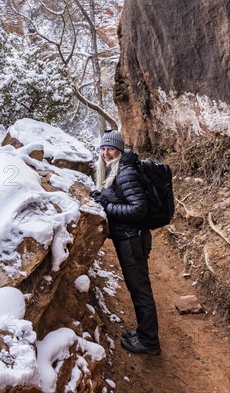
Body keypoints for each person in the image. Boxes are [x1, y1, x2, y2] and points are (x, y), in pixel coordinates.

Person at [91, 130, 161, 356]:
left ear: (119, 150)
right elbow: (119, 197)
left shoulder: (125, 172)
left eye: (110, 149)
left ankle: (149, 342)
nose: (106, 153)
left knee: (141, 290)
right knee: (136, 287)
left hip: (133, 239)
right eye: (102, 149)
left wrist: (106, 206)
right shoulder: (115, 170)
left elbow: (138, 208)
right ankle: (143, 334)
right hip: (129, 238)